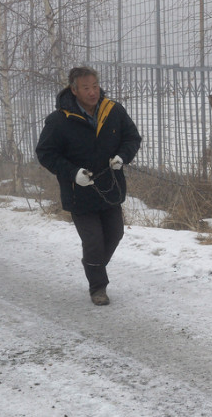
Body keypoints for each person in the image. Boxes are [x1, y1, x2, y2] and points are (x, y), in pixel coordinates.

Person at [36, 66, 142, 306]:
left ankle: (92, 266)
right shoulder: (59, 120)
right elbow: (45, 153)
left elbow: (132, 137)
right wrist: (73, 173)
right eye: (86, 88)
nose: (93, 92)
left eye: (95, 86)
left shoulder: (114, 111)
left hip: (110, 188)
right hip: (79, 193)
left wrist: (122, 156)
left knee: (115, 234)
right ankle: (98, 288)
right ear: (74, 90)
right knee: (93, 241)